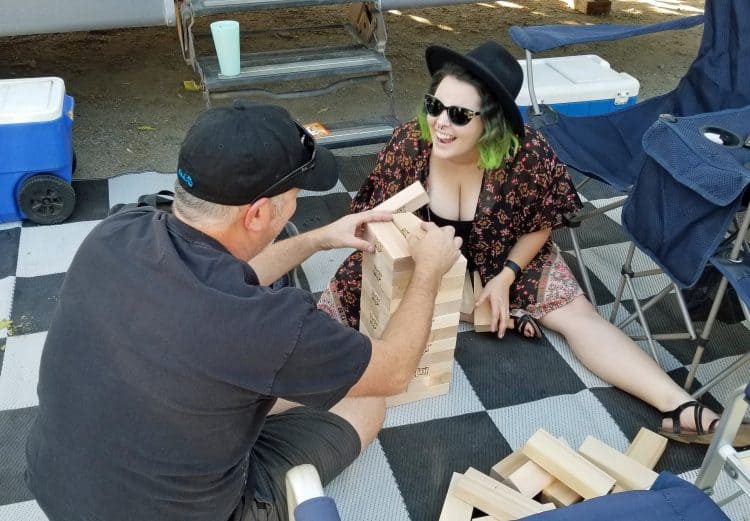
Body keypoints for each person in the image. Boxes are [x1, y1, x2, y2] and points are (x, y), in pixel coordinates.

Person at [24, 101, 463, 521]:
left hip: (56, 485)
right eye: (294, 196)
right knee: (367, 403)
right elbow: (397, 369)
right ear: (256, 215)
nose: (296, 205)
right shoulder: (268, 326)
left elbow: (224, 281)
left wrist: (319, 238)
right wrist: (427, 271)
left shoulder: (118, 231)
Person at [318, 41, 748, 446]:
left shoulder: (528, 154)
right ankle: (276, 397)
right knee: (335, 310)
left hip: (501, 256)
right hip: (421, 257)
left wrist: (507, 276)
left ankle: (681, 408)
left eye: (459, 115)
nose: (441, 123)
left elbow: (541, 222)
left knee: (577, 314)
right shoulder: (409, 143)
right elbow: (375, 221)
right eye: (434, 105)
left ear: (491, 124)